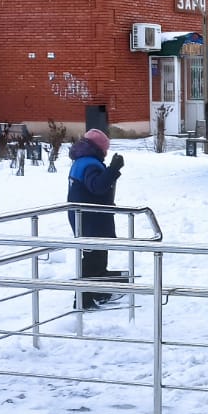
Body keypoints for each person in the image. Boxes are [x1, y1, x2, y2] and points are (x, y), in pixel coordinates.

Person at [67, 128, 125, 309]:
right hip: (91, 219)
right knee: (94, 259)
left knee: (98, 256)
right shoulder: (89, 164)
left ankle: (100, 291)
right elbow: (97, 187)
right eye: (105, 150)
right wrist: (113, 169)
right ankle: (84, 298)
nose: (106, 154)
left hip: (87, 218)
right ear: (98, 148)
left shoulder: (81, 161)